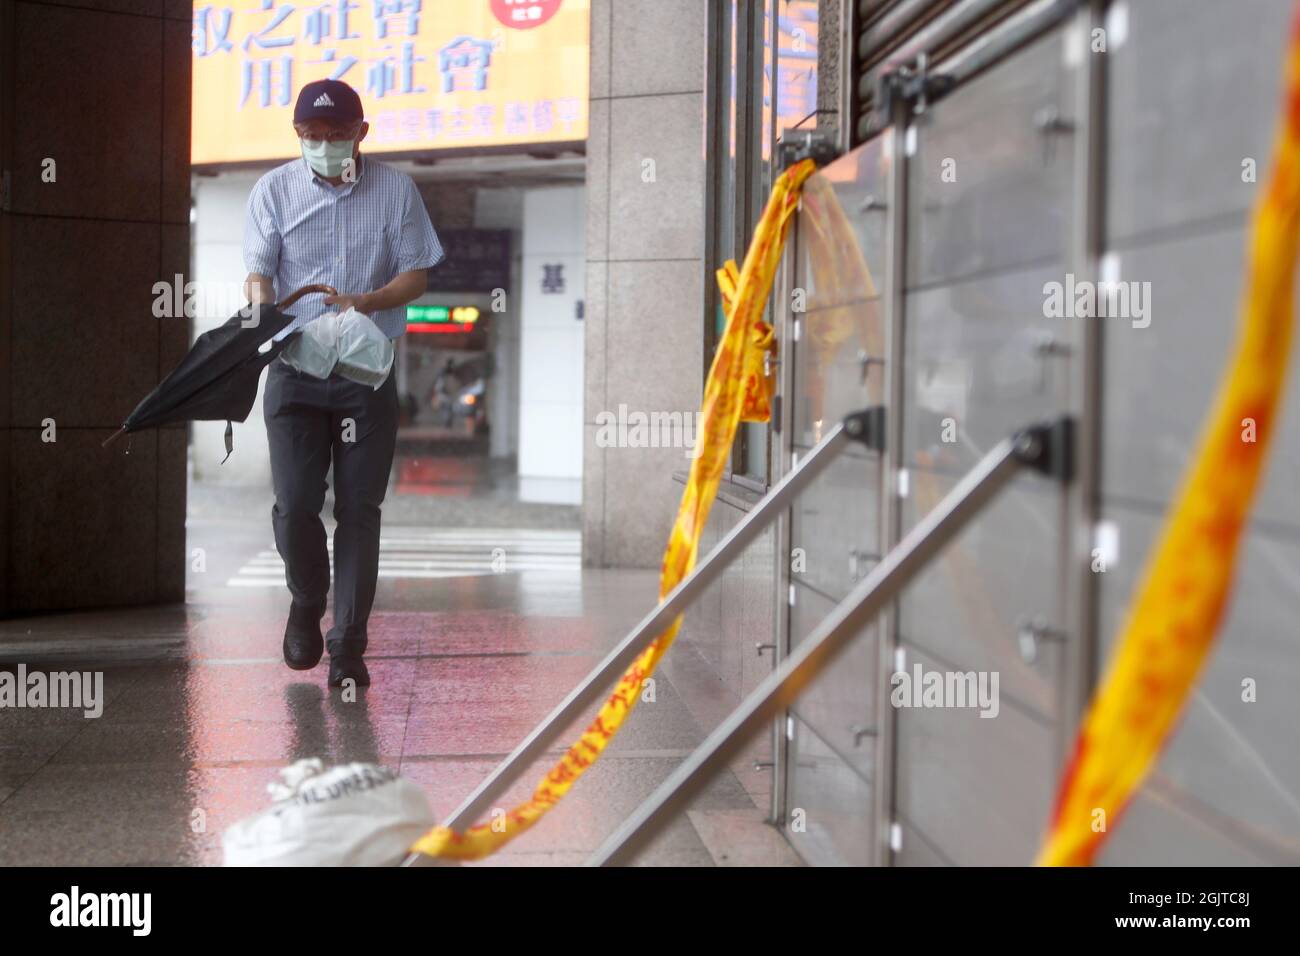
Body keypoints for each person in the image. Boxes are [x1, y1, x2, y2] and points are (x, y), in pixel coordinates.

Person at [242, 78, 444, 687]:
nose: (324, 146)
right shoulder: (272, 191)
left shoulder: (396, 190)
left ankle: (348, 643)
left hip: (366, 373)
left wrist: (368, 300)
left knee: (360, 509)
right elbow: (258, 273)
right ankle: (307, 599)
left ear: (361, 133)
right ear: (297, 135)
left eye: (336, 136)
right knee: (296, 503)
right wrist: (260, 310)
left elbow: (417, 276)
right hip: (295, 369)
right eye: (311, 136)